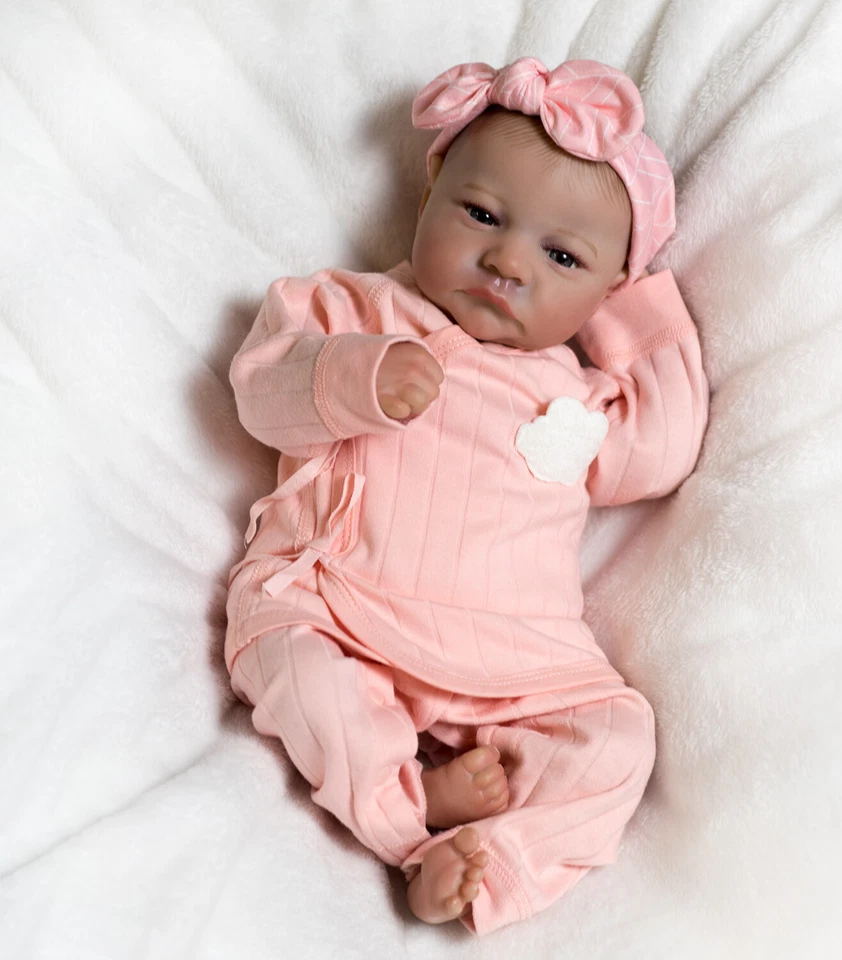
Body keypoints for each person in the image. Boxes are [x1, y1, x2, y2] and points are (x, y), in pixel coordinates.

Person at [225, 57, 709, 934]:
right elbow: (260, 389)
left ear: (609, 290)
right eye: (482, 215)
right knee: (298, 678)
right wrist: (348, 377)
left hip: (510, 660)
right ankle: (410, 816)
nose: (506, 261)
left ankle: (493, 865)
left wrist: (622, 304)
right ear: (430, 192)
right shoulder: (349, 311)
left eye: (562, 255)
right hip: (336, 605)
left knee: (617, 742)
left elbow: (666, 446)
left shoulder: (575, 394)